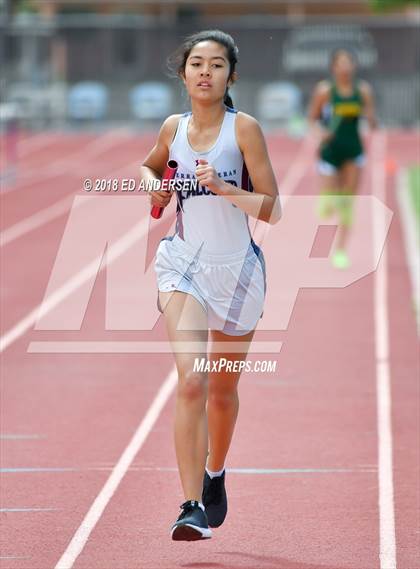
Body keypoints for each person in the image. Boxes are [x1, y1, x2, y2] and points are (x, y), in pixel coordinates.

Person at [139, 30, 280, 541]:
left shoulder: (244, 131)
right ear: (183, 74)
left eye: (216, 65)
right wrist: (154, 187)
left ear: (230, 75)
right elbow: (151, 164)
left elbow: (274, 208)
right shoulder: (172, 127)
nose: (205, 72)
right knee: (193, 378)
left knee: (222, 391)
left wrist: (225, 188)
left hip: (238, 272)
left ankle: (214, 471)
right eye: (196, 63)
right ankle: (191, 504)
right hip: (184, 267)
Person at [308, 48, 377, 269]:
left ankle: (340, 251)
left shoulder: (363, 90)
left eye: (349, 62)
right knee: (331, 202)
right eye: (341, 62)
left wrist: (371, 119)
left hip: (353, 150)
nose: (345, 66)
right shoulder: (325, 91)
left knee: (348, 203)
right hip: (330, 150)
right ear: (334, 67)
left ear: (354, 66)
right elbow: (312, 119)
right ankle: (328, 199)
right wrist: (321, 133)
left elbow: (371, 119)